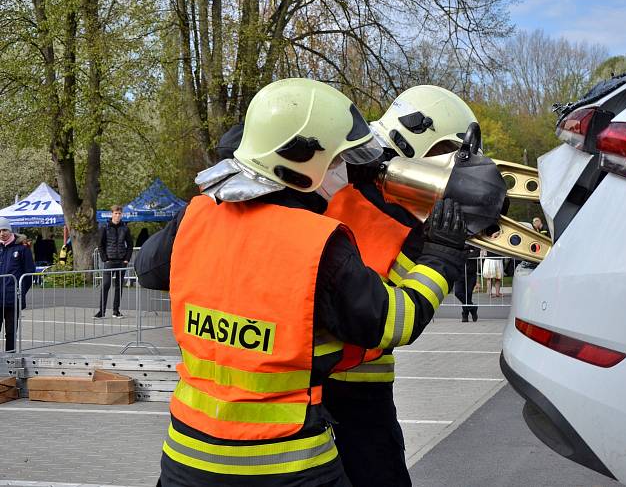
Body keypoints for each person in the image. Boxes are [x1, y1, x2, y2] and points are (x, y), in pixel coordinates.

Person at [134, 78, 466, 487]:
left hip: (187, 457)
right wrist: (442, 255)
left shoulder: (198, 216)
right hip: (287, 464)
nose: (344, 173)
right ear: (303, 162)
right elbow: (390, 323)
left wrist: (215, 194)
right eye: (338, 161)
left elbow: (148, 269)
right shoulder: (317, 243)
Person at [322, 84, 478, 486]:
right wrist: (441, 257)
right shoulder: (384, 210)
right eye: (449, 153)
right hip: (346, 392)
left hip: (347, 386)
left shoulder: (338, 182)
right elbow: (389, 316)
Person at [0, 217, 34, 352]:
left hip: (12, 299)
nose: (2, 233)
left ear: (10, 230)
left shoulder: (22, 248)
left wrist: (20, 291)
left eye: (4, 230)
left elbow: (29, 273)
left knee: (11, 332)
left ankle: (10, 360)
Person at [95, 206, 132, 319]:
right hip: (109, 261)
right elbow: (100, 245)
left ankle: (116, 311)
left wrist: (126, 259)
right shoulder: (104, 227)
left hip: (121, 261)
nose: (118, 215)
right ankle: (101, 311)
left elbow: (130, 245)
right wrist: (104, 259)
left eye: (119, 213)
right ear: (112, 214)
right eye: (116, 213)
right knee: (105, 285)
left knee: (119, 287)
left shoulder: (125, 228)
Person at [454, 244, 481, 322]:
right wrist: (467, 253)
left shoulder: (474, 242)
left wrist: (465, 254)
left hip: (471, 274)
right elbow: (457, 253)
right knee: (458, 292)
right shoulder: (459, 241)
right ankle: (473, 309)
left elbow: (476, 253)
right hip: (459, 273)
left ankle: (465, 315)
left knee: (468, 295)